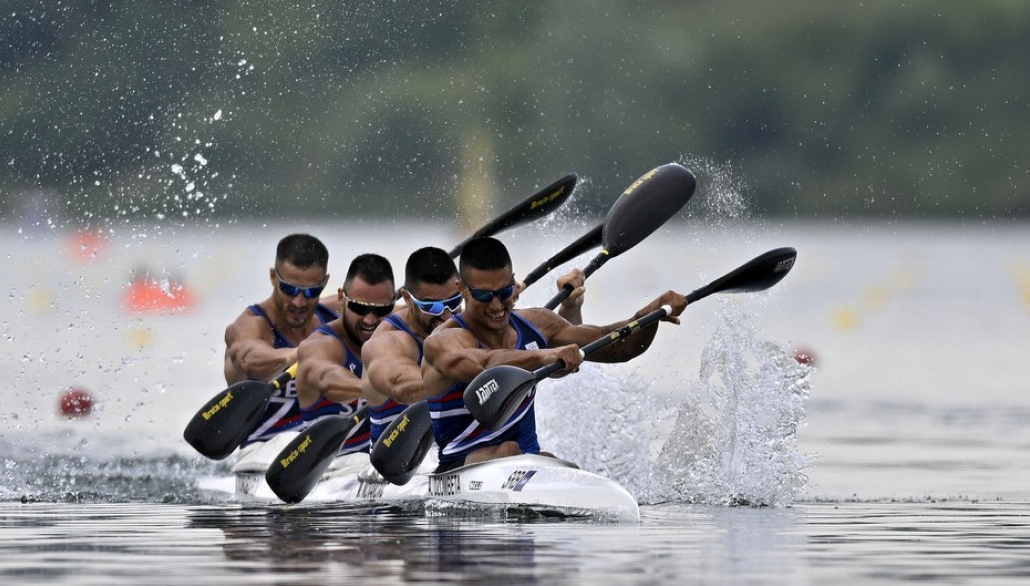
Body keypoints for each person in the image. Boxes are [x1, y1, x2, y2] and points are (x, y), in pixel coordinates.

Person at [421, 236, 688, 472]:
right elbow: (484, 363)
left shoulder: (539, 323)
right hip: (460, 466)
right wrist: (543, 355)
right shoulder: (443, 341)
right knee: (508, 450)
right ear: (462, 289)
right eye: (483, 295)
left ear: (514, 284)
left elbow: (620, 346)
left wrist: (648, 315)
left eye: (503, 292)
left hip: (527, 459)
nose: (496, 305)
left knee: (548, 459)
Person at [361, 246, 588, 446]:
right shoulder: (388, 341)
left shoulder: (470, 327)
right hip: (401, 453)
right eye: (432, 307)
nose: (446, 314)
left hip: (468, 447)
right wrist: (454, 371)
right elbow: (404, 389)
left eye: (452, 302)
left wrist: (570, 308)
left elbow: (558, 359)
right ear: (408, 299)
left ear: (463, 291)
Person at [223, 233, 339, 447]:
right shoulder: (250, 326)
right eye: (289, 289)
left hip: (323, 453)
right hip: (264, 452)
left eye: (311, 291)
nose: (299, 301)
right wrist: (294, 354)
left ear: (325, 283)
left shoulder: (337, 316)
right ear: (273, 278)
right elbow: (247, 356)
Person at [295, 253, 396, 456]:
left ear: (393, 303)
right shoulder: (321, 345)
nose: (369, 320)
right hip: (334, 469)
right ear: (341, 298)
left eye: (382, 309)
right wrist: (379, 387)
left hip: (388, 463)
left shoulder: (402, 327)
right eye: (359, 308)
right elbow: (326, 379)